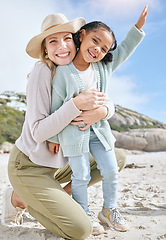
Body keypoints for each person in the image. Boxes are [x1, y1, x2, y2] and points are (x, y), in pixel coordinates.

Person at [1, 13, 127, 239]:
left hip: (59, 163)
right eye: (53, 41)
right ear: (45, 49)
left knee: (116, 158)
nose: (62, 46)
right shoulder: (41, 72)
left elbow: (103, 98)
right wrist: (76, 104)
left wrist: (103, 111)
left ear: (76, 40)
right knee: (80, 230)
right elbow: (38, 131)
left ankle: (52, 195)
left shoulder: (79, 68)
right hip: (29, 165)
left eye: (67, 38)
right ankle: (19, 197)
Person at [48, 5, 148, 233]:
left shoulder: (103, 68)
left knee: (111, 169)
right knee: (81, 175)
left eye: (104, 48)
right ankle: (83, 212)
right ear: (81, 35)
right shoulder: (64, 71)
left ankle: (108, 210)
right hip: (73, 132)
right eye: (95, 41)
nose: (97, 50)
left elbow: (124, 49)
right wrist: (53, 137)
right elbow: (55, 104)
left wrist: (138, 28)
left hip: (99, 130)